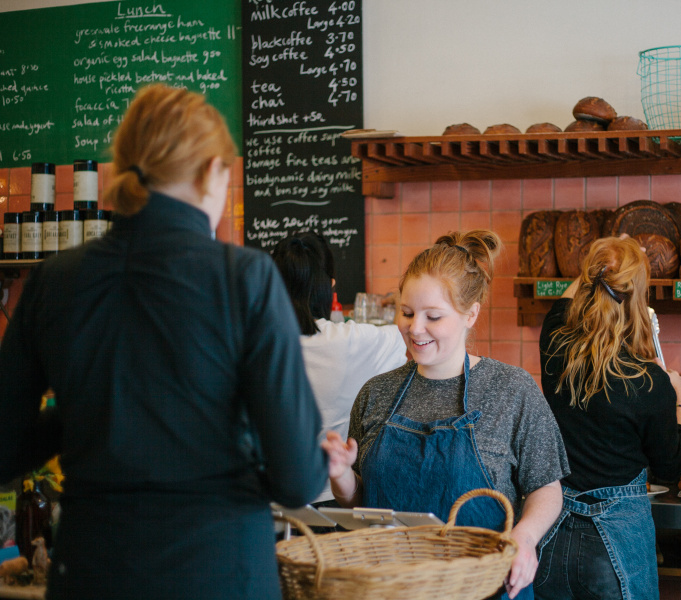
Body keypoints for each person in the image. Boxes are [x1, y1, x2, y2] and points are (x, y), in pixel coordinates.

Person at [0, 84, 327, 600]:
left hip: (91, 572)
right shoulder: (245, 278)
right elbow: (298, 479)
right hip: (219, 571)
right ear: (211, 173)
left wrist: (89, 412)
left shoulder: (52, 281)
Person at [322, 229, 568, 600]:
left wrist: (526, 536)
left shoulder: (511, 389)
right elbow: (363, 505)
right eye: (405, 313)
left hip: (484, 587)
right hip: (390, 590)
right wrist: (341, 474)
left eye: (432, 317)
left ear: (471, 314)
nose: (414, 328)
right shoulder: (376, 393)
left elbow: (547, 488)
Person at [536, 236, 681, 600]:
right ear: (637, 298)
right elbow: (671, 466)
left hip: (552, 532)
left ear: (589, 281)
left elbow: (566, 301)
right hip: (617, 542)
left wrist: (607, 254)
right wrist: (679, 400)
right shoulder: (650, 383)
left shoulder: (554, 346)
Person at [271, 231, 406, 505]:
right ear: (330, 285)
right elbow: (411, 335)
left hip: (263, 503)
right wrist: (398, 300)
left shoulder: (250, 341)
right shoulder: (353, 340)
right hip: (333, 497)